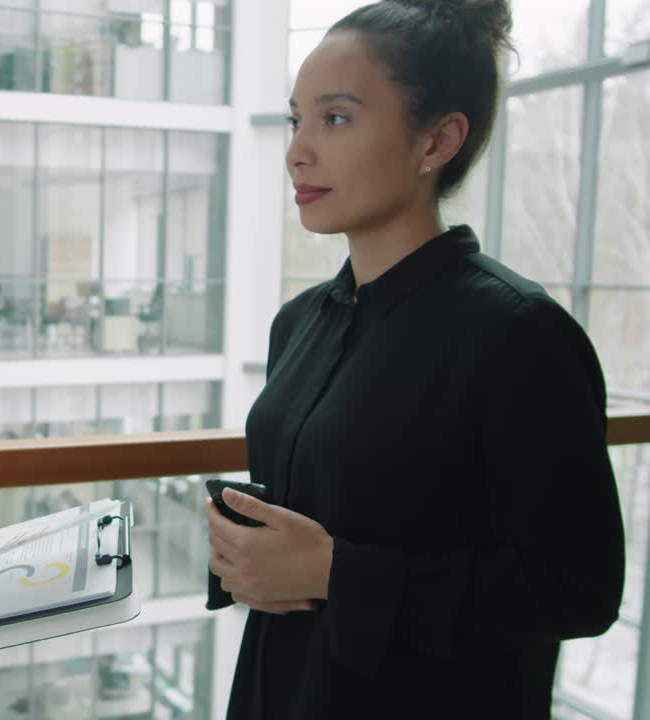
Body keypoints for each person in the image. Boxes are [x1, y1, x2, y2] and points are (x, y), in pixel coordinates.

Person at [204, 1, 625, 717]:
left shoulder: (517, 332)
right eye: (297, 119)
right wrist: (244, 554)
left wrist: (339, 574)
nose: (298, 150)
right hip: (284, 691)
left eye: (336, 118)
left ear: (438, 139)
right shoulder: (299, 322)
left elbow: (576, 590)